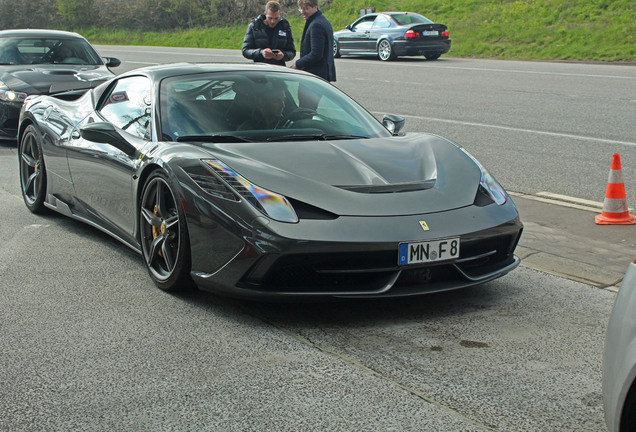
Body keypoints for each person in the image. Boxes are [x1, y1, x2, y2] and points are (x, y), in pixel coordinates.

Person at [290, 0, 336, 82]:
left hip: (315, 75)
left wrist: (297, 64)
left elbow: (316, 54)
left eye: (306, 8)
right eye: (301, 9)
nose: (303, 12)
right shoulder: (323, 21)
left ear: (315, 7)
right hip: (322, 74)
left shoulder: (316, 25)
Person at [242, 0, 295, 66]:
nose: (273, 21)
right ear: (265, 14)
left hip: (278, 67)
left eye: (276, 18)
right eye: (270, 18)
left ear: (280, 15)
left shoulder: (285, 27)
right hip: (260, 67)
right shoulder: (255, 26)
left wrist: (283, 55)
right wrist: (261, 53)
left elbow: (292, 52)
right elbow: (245, 51)